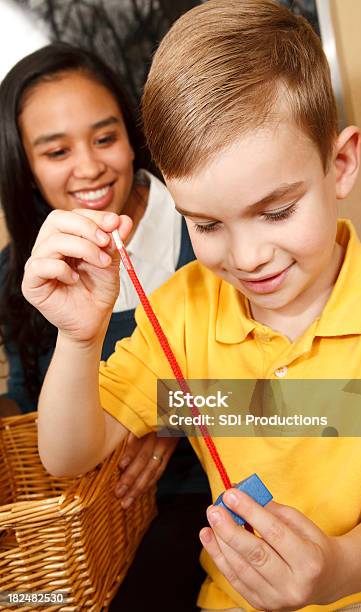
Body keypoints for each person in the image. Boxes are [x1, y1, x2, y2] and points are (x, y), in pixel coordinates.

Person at [21, 2, 361, 611]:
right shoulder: (181, 313)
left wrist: (335, 569)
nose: (249, 257)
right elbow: (68, 455)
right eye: (206, 224)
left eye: (276, 211)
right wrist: (77, 338)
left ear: (340, 163)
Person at [0, 43, 210, 611]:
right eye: (56, 151)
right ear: (25, 164)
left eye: (104, 137)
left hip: (197, 498)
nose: (89, 168)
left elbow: (290, 388)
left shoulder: (206, 233)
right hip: (80, 523)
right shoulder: (20, 268)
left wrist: (170, 416)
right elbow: (26, 396)